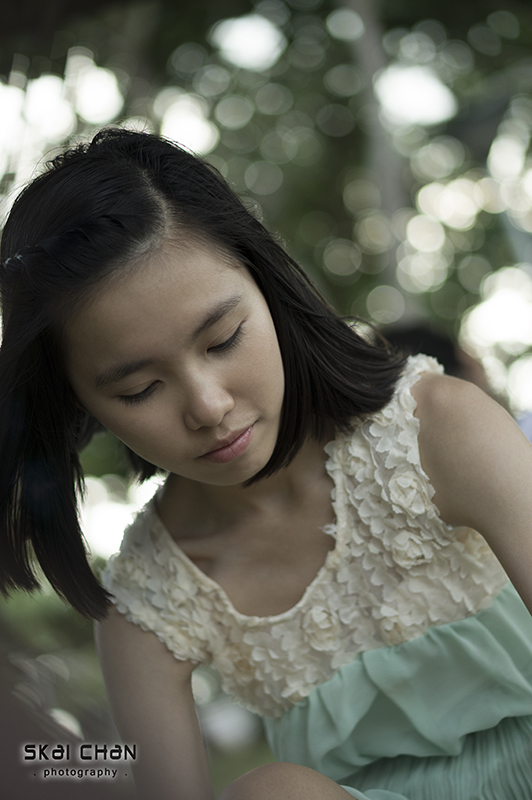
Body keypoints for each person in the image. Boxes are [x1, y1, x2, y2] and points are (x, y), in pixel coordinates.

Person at [1, 129, 532, 800]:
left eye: (222, 340)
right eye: (139, 389)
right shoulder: (150, 602)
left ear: (270, 287)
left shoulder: (437, 429)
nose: (208, 406)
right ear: (80, 403)